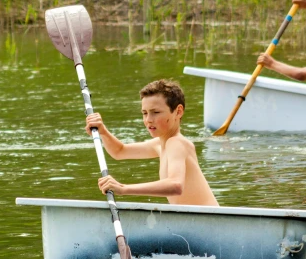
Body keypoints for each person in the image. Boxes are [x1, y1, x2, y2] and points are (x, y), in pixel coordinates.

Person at [85, 79, 219, 207]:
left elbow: (175, 185)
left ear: (178, 111)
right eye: (144, 113)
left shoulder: (177, 143)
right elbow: (119, 151)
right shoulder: (159, 144)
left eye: (155, 112)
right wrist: (103, 131)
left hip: (213, 222)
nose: (149, 120)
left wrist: (123, 188)